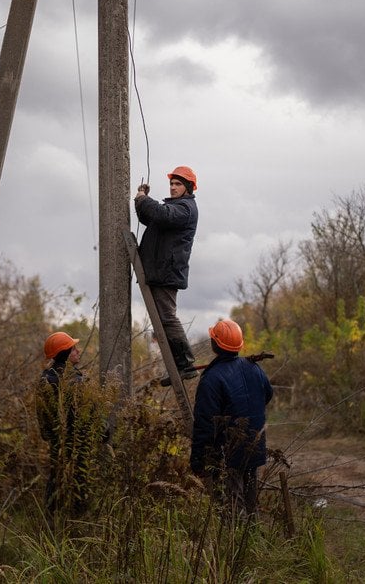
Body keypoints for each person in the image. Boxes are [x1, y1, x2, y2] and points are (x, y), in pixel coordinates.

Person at [189, 319, 274, 518]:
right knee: (250, 504)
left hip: (229, 452)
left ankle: (238, 545)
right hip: (254, 446)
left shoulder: (211, 379)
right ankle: (251, 541)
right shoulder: (254, 368)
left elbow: (204, 424)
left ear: (214, 344)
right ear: (239, 345)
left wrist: (198, 460)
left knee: (234, 508)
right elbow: (267, 394)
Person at [134, 165, 199, 387]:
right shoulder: (173, 209)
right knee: (163, 319)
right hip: (159, 270)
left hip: (166, 271)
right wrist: (140, 202)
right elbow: (151, 218)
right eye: (172, 183)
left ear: (188, 188)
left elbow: (161, 214)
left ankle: (186, 364)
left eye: (178, 184)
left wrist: (144, 200)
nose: (173, 187)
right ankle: (179, 365)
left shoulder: (185, 208)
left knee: (168, 317)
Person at [35, 331, 89, 515]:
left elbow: (42, 414)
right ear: (66, 353)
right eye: (74, 349)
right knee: (79, 482)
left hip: (56, 441)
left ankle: (51, 519)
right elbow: (85, 412)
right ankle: (76, 521)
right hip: (77, 442)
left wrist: (49, 434)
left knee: (55, 478)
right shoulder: (75, 381)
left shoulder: (45, 378)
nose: (78, 351)